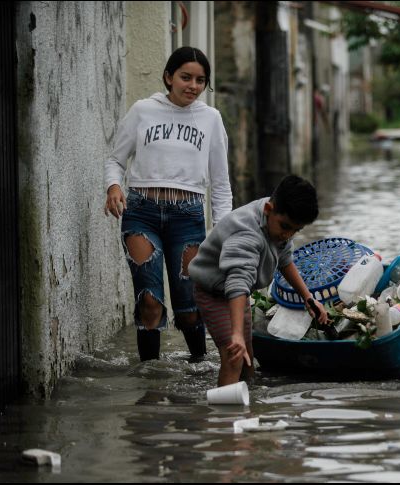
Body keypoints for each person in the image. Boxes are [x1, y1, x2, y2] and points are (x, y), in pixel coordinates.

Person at [104, 46, 232, 362]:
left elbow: (220, 183)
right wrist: (113, 187)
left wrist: (223, 232)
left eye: (200, 80)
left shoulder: (211, 119)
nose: (193, 86)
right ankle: (150, 377)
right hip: (141, 214)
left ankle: (199, 368)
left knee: (189, 308)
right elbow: (116, 160)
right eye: (185, 77)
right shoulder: (143, 110)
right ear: (168, 77)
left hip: (188, 218)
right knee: (149, 301)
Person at [188, 174, 329, 386]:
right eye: (285, 227)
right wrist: (236, 335)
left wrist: (308, 298)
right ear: (268, 210)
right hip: (214, 293)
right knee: (234, 355)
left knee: (247, 359)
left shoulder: (277, 221)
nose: (288, 235)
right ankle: (222, 407)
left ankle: (249, 400)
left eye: (296, 230)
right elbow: (237, 283)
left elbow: (285, 260)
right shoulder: (246, 232)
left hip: (239, 294)